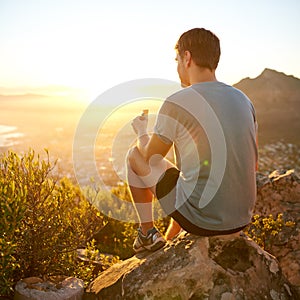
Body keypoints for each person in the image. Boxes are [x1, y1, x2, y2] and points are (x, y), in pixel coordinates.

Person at [126, 28, 258, 253]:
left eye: (177, 59)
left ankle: (147, 233)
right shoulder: (244, 100)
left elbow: (149, 157)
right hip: (241, 218)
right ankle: (170, 237)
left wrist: (141, 132)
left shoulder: (178, 101)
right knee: (189, 175)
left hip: (204, 221)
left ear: (187, 58)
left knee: (133, 154)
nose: (177, 66)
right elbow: (253, 165)